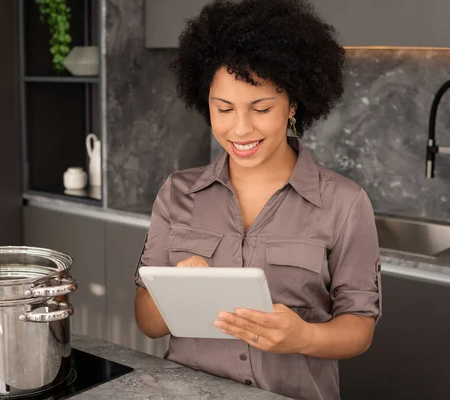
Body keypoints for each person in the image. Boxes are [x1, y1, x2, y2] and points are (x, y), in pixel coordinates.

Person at [133, 0, 382, 399]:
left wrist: (304, 338)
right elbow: (147, 321)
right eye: (224, 108)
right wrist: (175, 291)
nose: (241, 128)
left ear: (292, 105)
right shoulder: (177, 193)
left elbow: (359, 327)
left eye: (261, 108)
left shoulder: (345, 203)